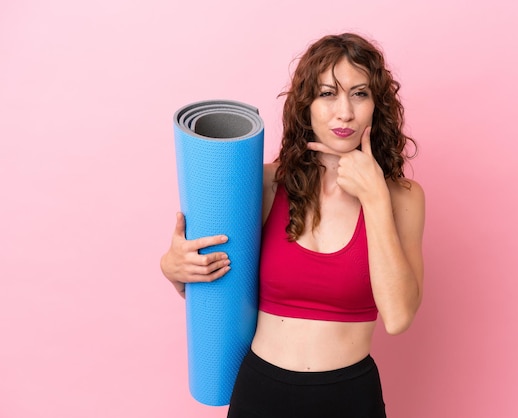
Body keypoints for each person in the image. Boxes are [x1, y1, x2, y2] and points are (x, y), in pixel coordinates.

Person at [160, 32, 425, 418]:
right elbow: (214, 283)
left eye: (360, 94)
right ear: (306, 106)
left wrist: (374, 198)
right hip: (260, 393)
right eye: (327, 93)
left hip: (350, 398)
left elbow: (399, 317)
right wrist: (173, 268)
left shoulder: (402, 197)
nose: (344, 113)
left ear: (377, 106)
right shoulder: (263, 185)